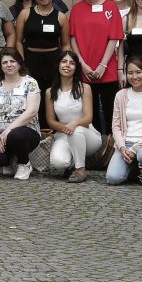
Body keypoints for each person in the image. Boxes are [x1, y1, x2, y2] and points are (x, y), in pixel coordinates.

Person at [68, 0, 124, 136]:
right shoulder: (77, 9)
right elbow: (73, 39)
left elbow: (114, 37)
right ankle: (95, 149)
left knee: (110, 111)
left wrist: (103, 65)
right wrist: (82, 65)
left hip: (107, 69)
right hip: (85, 69)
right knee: (89, 113)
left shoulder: (110, 6)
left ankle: (113, 145)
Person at [0, 47, 41, 180]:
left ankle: (24, 163)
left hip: (25, 130)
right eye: (4, 62)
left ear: (19, 63)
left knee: (15, 136)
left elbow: (32, 111)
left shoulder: (30, 82)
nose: (9, 65)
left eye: (12, 61)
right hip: (0, 131)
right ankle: (10, 159)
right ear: (0, 66)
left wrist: (8, 130)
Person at [15, 0, 69, 119]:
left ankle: (52, 131)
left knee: (52, 97)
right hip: (30, 61)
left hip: (53, 62)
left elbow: (65, 44)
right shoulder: (25, 14)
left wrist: (66, 63)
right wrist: (21, 62)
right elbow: (18, 40)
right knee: (32, 97)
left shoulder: (61, 17)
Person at [107, 57, 142, 186]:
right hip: (125, 143)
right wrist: (122, 147)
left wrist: (134, 149)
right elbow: (115, 126)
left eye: (138, 72)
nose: (134, 76)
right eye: (130, 72)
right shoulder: (121, 95)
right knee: (113, 178)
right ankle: (133, 167)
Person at [46, 51, 101, 183]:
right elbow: (50, 121)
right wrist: (67, 127)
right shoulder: (50, 92)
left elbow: (88, 118)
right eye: (64, 62)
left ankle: (80, 170)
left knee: (76, 131)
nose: (67, 65)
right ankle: (73, 162)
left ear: (76, 67)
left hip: (88, 136)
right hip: (63, 135)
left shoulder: (84, 88)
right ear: (58, 65)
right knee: (58, 162)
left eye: (72, 63)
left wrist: (74, 124)